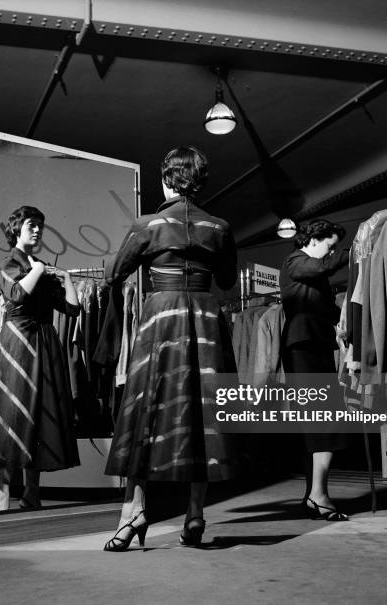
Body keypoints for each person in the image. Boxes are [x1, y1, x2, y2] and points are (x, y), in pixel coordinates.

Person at [102, 146, 243, 551]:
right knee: (204, 412)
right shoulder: (219, 227)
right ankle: (196, 513)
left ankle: (135, 510)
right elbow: (229, 280)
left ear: (166, 179)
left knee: (145, 410)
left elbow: (113, 273)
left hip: (161, 317)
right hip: (205, 318)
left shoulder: (148, 224)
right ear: (199, 181)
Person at [0, 205, 80, 510]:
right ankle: (4, 493)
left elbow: (72, 309)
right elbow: (16, 295)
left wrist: (68, 278)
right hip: (18, 343)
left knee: (39, 417)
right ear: (17, 229)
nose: (37, 230)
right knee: (12, 414)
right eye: (32, 225)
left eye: (40, 226)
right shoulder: (9, 262)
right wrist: (38, 270)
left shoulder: (41, 266)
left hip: (44, 344)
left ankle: (32, 493)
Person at [280, 218, 350, 521]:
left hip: (314, 345)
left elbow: (330, 310)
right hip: (304, 345)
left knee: (318, 420)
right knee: (323, 419)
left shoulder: (312, 275)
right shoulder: (296, 261)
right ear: (314, 239)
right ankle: (319, 496)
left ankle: (314, 495)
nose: (331, 252)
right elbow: (321, 268)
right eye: (330, 245)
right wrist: (357, 250)